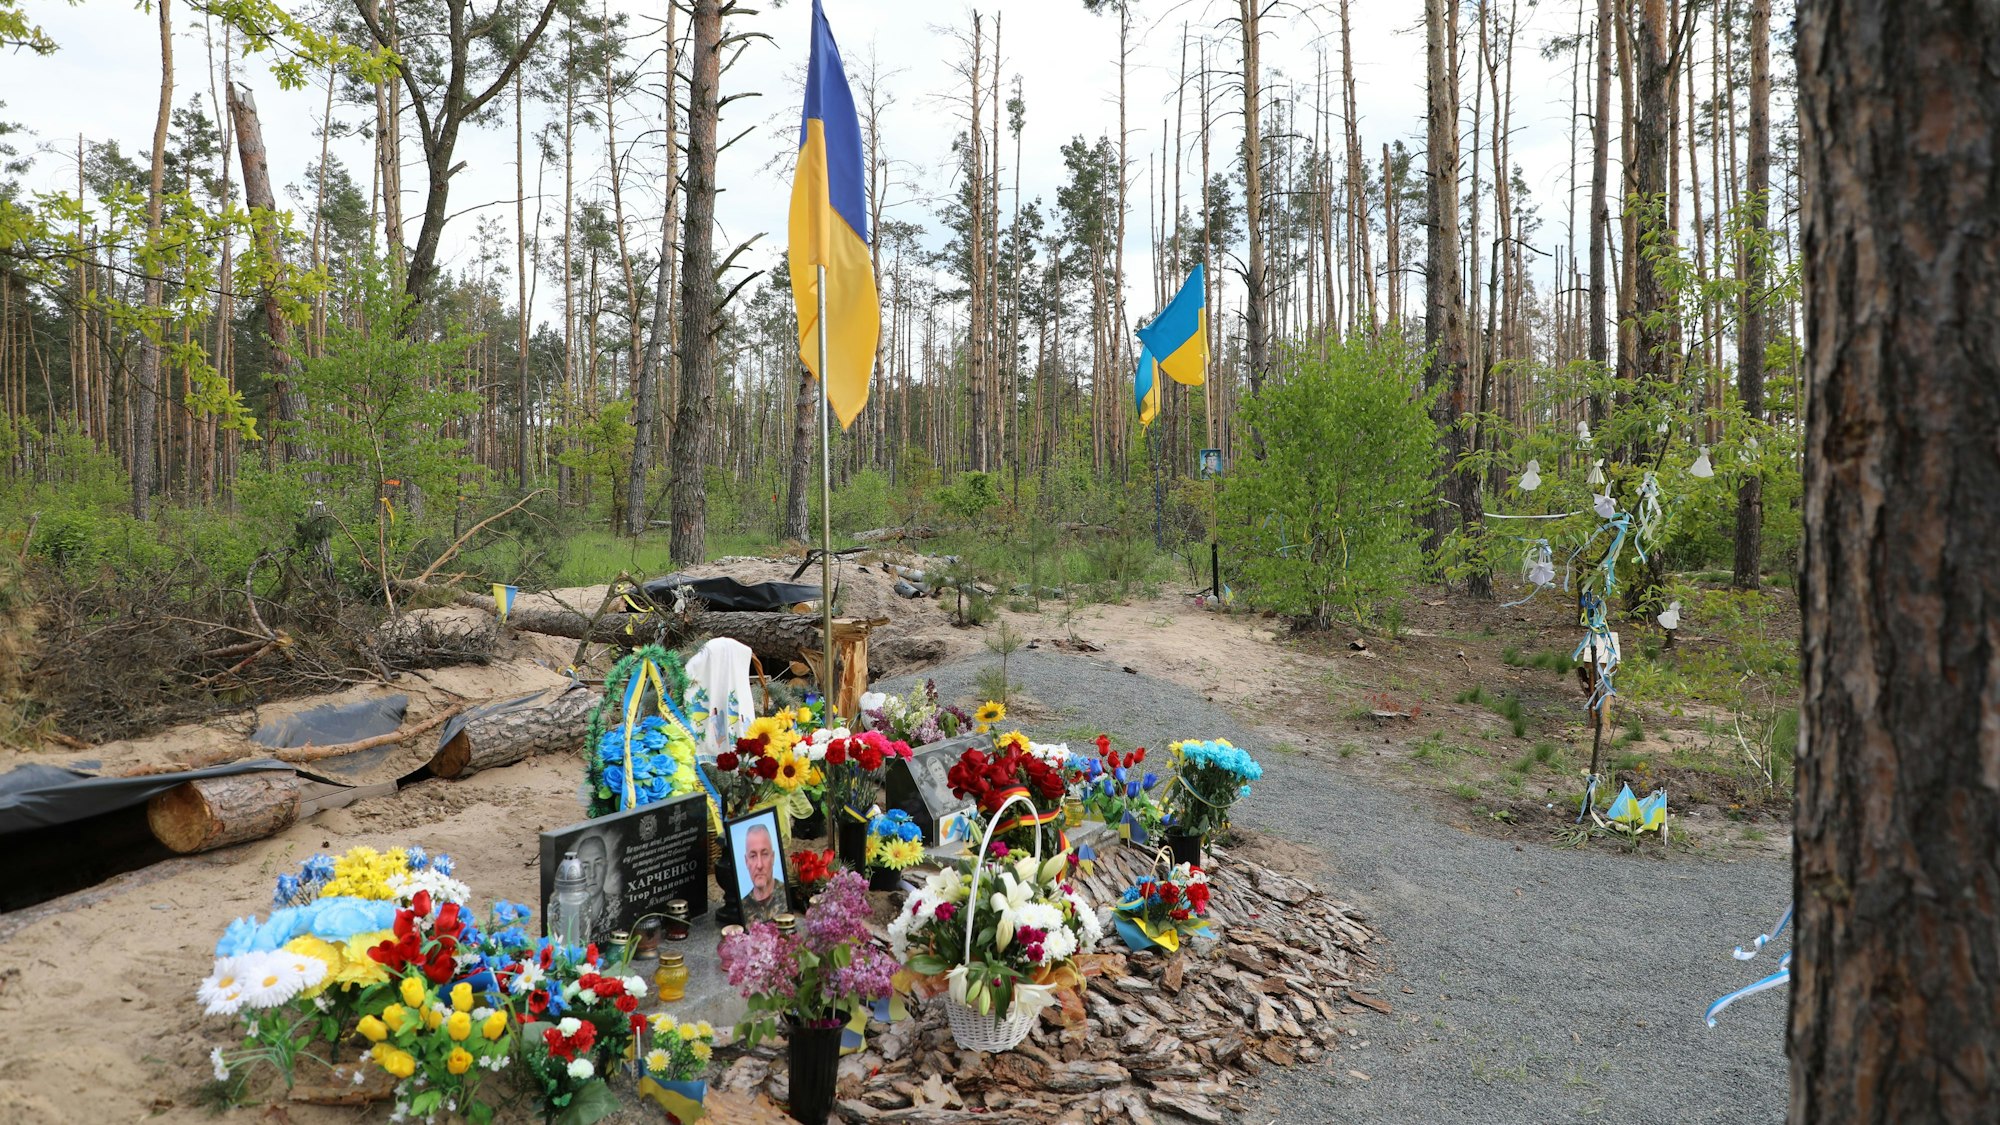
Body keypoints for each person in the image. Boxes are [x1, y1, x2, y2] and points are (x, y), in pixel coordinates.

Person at [739, 823, 787, 922]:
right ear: (746, 862)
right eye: (753, 856)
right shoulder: (742, 907)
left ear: (773, 857)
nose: (759, 865)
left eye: (764, 854)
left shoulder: (787, 895)